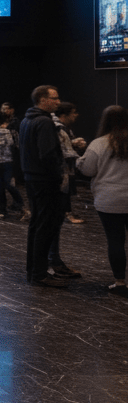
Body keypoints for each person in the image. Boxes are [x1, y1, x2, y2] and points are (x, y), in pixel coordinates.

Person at [20, 85, 69, 288]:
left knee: (36, 225)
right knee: (45, 227)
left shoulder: (26, 120)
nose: (58, 102)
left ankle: (34, 270)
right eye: (54, 98)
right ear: (42, 100)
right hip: (45, 181)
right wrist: (58, 177)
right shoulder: (44, 122)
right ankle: (40, 274)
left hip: (31, 179)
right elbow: (47, 155)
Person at [76, 105, 128, 297]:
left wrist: (77, 160)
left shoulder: (98, 143)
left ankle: (120, 282)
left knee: (115, 241)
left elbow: (88, 170)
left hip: (109, 199)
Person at [49, 102, 84, 278]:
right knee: (54, 223)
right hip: (59, 179)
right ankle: (53, 261)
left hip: (56, 180)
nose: (76, 116)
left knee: (53, 223)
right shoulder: (57, 128)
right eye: (74, 112)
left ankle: (52, 260)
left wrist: (72, 144)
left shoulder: (55, 127)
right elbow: (63, 154)